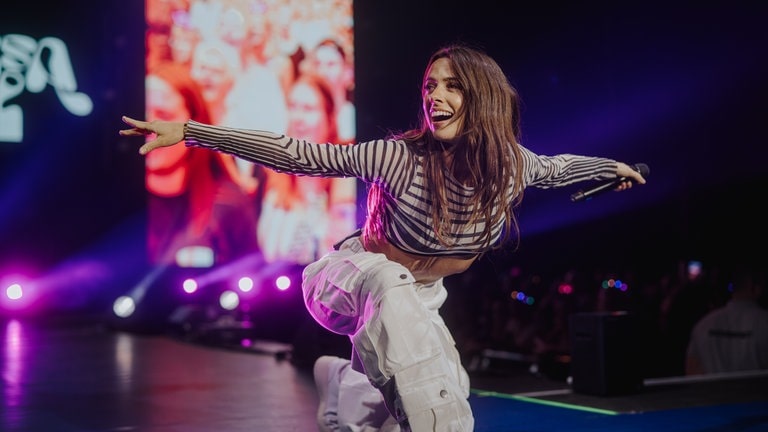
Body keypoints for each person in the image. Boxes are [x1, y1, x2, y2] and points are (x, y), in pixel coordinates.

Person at [120, 43, 646, 431]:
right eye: (430, 86)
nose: (435, 97)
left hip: (416, 295)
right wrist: (191, 131)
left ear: (481, 96)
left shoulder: (512, 165)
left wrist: (613, 167)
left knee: (426, 395)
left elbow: (559, 167)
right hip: (348, 281)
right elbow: (297, 154)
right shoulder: (398, 156)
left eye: (451, 85)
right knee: (429, 391)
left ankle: (338, 384)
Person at [685, 267, 768, 375]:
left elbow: (691, 370)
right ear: (756, 287)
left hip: (711, 391)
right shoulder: (764, 322)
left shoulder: (703, 325)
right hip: (756, 391)